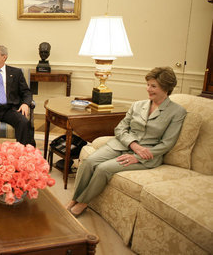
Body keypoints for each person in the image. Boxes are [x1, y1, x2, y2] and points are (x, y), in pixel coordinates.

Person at [67, 67, 187, 217]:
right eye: (148, 84)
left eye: (153, 86)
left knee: (104, 169)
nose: (148, 89)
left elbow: (167, 143)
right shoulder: (138, 105)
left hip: (147, 156)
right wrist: (133, 145)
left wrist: (137, 156)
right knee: (89, 162)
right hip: (122, 144)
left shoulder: (177, 112)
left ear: (166, 88)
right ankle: (74, 199)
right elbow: (120, 129)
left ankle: (83, 203)